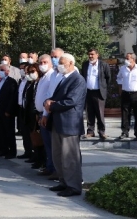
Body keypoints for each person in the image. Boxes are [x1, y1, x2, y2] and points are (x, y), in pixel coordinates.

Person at [42, 53, 87, 197]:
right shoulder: (64, 79)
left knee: (70, 157)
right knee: (58, 155)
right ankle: (63, 181)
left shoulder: (78, 79)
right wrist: (47, 101)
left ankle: (73, 186)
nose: (59, 65)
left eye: (62, 63)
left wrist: (52, 105)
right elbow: (56, 98)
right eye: (59, 63)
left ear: (71, 63)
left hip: (69, 123)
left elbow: (71, 101)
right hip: (58, 122)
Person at [81, 48, 111, 140]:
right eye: (89, 54)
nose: (90, 56)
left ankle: (102, 132)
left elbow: (108, 78)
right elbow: (83, 77)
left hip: (99, 92)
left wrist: (104, 88)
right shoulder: (85, 64)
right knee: (89, 113)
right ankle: (90, 132)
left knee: (99, 113)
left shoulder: (103, 65)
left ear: (97, 55)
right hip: (88, 92)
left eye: (92, 54)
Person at [35, 54, 57, 178]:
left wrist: (45, 114)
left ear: (51, 63)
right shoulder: (43, 77)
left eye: (45, 62)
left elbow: (50, 96)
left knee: (51, 143)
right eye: (41, 63)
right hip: (41, 113)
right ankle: (49, 166)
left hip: (47, 114)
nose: (42, 65)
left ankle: (54, 168)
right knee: (47, 143)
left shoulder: (51, 76)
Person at [0, 63, 18, 159]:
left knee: (9, 132)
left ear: (7, 71)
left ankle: (12, 151)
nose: (0, 72)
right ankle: (4, 150)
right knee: (1, 131)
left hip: (7, 111)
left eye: (2, 70)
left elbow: (12, 98)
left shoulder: (12, 82)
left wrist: (9, 110)